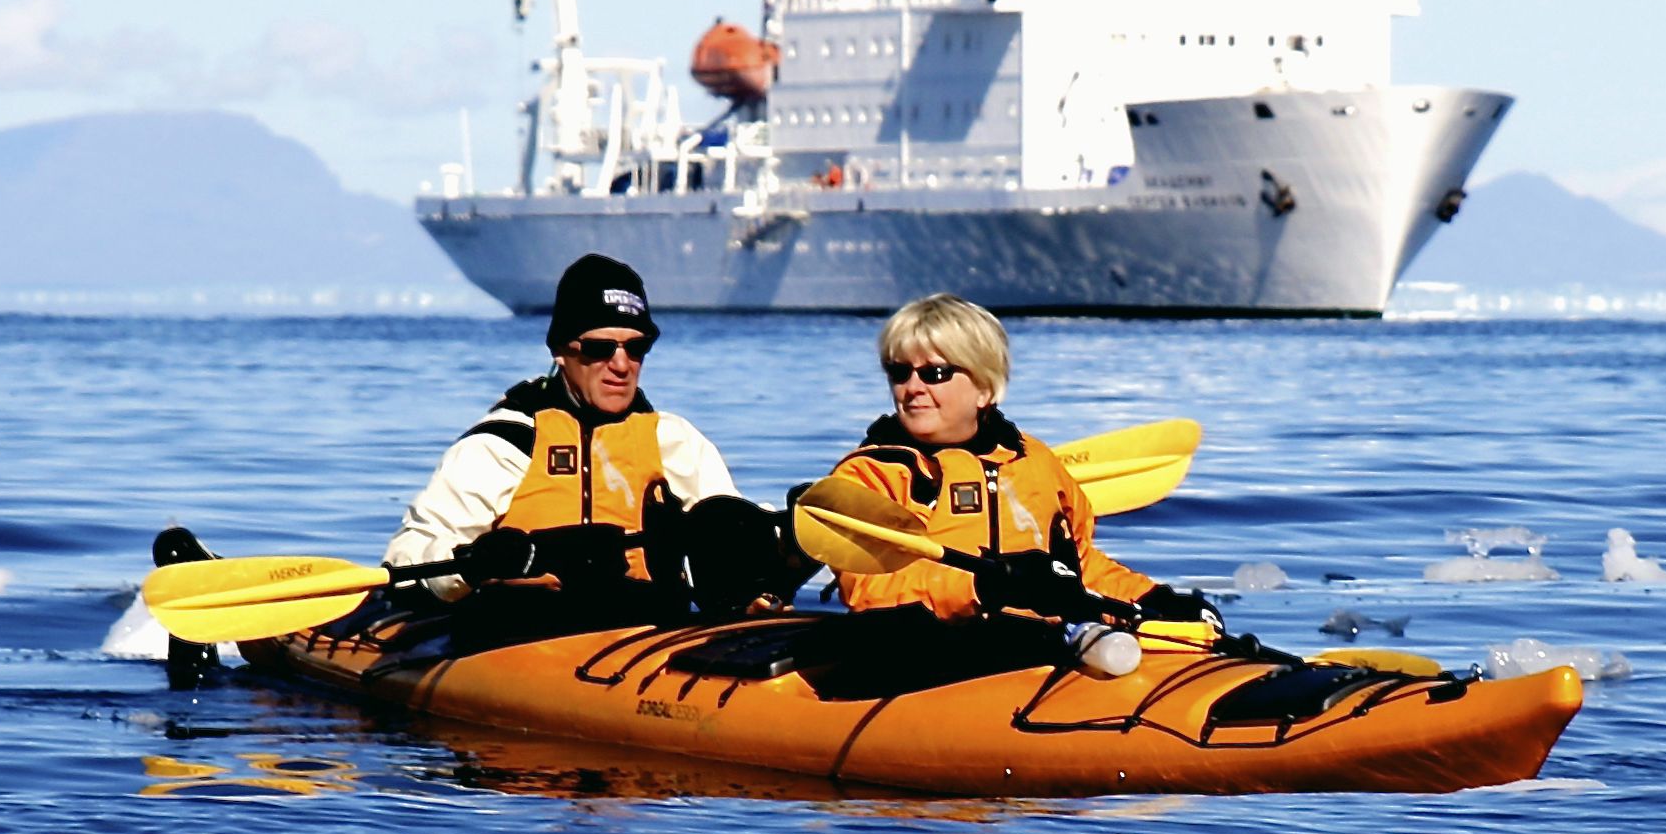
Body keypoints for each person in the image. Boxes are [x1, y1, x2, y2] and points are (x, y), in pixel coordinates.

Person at [384, 252, 769, 631]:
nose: (621, 364)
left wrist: (780, 546)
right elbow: (406, 564)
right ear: (561, 350)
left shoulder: (674, 442)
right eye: (600, 348)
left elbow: (733, 532)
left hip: (646, 628)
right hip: (517, 631)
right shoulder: (506, 443)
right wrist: (475, 563)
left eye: (636, 348)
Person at [823, 293, 1216, 630]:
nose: (912, 388)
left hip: (1034, 645)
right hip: (923, 652)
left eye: (935, 373)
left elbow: (1078, 567)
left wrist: (1152, 599)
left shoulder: (1033, 461)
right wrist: (982, 588)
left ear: (984, 387)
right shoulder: (870, 475)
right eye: (899, 372)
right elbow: (868, 589)